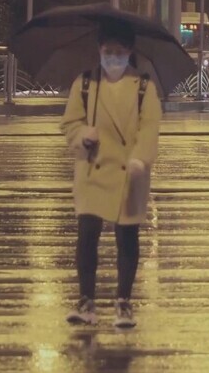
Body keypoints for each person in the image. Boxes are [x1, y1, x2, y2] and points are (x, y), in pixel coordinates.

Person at [59, 22, 162, 328]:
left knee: (127, 238)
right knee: (87, 236)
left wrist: (140, 159)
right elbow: (69, 122)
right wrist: (82, 136)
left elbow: (150, 127)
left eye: (119, 52)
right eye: (107, 52)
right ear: (99, 51)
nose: (112, 58)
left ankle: (124, 302)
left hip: (131, 172)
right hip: (93, 168)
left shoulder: (144, 87)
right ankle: (86, 300)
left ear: (129, 52)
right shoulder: (86, 83)